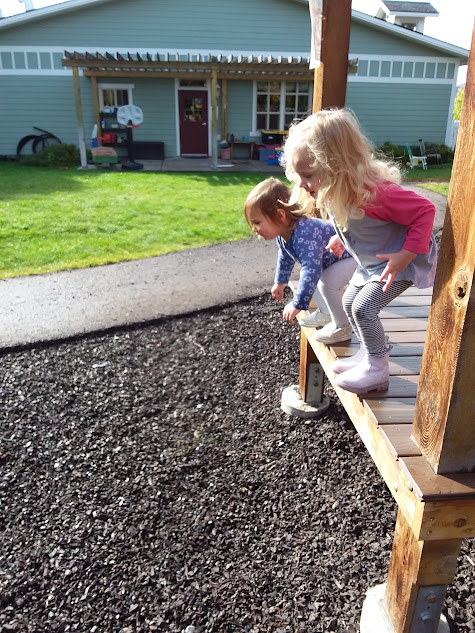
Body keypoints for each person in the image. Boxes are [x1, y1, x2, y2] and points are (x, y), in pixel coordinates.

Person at [282, 109, 437, 395]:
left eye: (308, 175)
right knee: (351, 299)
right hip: (375, 261)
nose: (302, 183)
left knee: (363, 307)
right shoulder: (336, 190)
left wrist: (405, 254)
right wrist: (343, 240)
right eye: (298, 175)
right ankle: (368, 354)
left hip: (401, 262)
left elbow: (425, 211)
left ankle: (377, 369)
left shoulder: (377, 193)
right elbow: (358, 224)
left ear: (336, 167)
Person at [244, 177, 357, 339]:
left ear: (281, 216)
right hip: (336, 259)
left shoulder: (304, 234)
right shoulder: (284, 233)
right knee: (318, 278)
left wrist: (297, 304)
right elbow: (285, 256)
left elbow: (310, 270)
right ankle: (326, 313)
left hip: (353, 256)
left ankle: (342, 327)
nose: (254, 229)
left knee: (326, 281)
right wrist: (280, 282)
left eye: (257, 222)